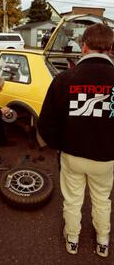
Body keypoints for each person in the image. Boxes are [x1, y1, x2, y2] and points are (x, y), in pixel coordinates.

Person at [37, 23, 114, 257]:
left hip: (72, 155)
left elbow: (45, 124)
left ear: (83, 47)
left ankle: (72, 238)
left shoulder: (64, 79)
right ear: (110, 48)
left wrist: (60, 144)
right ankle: (103, 240)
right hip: (106, 157)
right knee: (102, 199)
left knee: (72, 199)